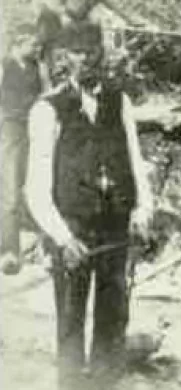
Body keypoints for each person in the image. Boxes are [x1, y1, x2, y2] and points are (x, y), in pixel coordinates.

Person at [25, 22, 154, 390]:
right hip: (73, 228)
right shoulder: (47, 109)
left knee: (112, 317)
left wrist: (142, 211)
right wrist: (63, 238)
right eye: (79, 53)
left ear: (103, 55)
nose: (88, 61)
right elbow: (36, 185)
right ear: (67, 58)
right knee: (70, 319)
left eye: (94, 52)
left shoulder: (119, 101)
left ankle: (104, 382)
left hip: (115, 226)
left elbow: (135, 159)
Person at [0, 26, 42, 274]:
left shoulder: (38, 68)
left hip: (33, 129)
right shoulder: (4, 66)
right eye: (33, 45)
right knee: (10, 192)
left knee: (36, 184)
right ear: (19, 43)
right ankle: (9, 252)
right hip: (9, 130)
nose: (37, 49)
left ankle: (44, 248)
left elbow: (46, 94)